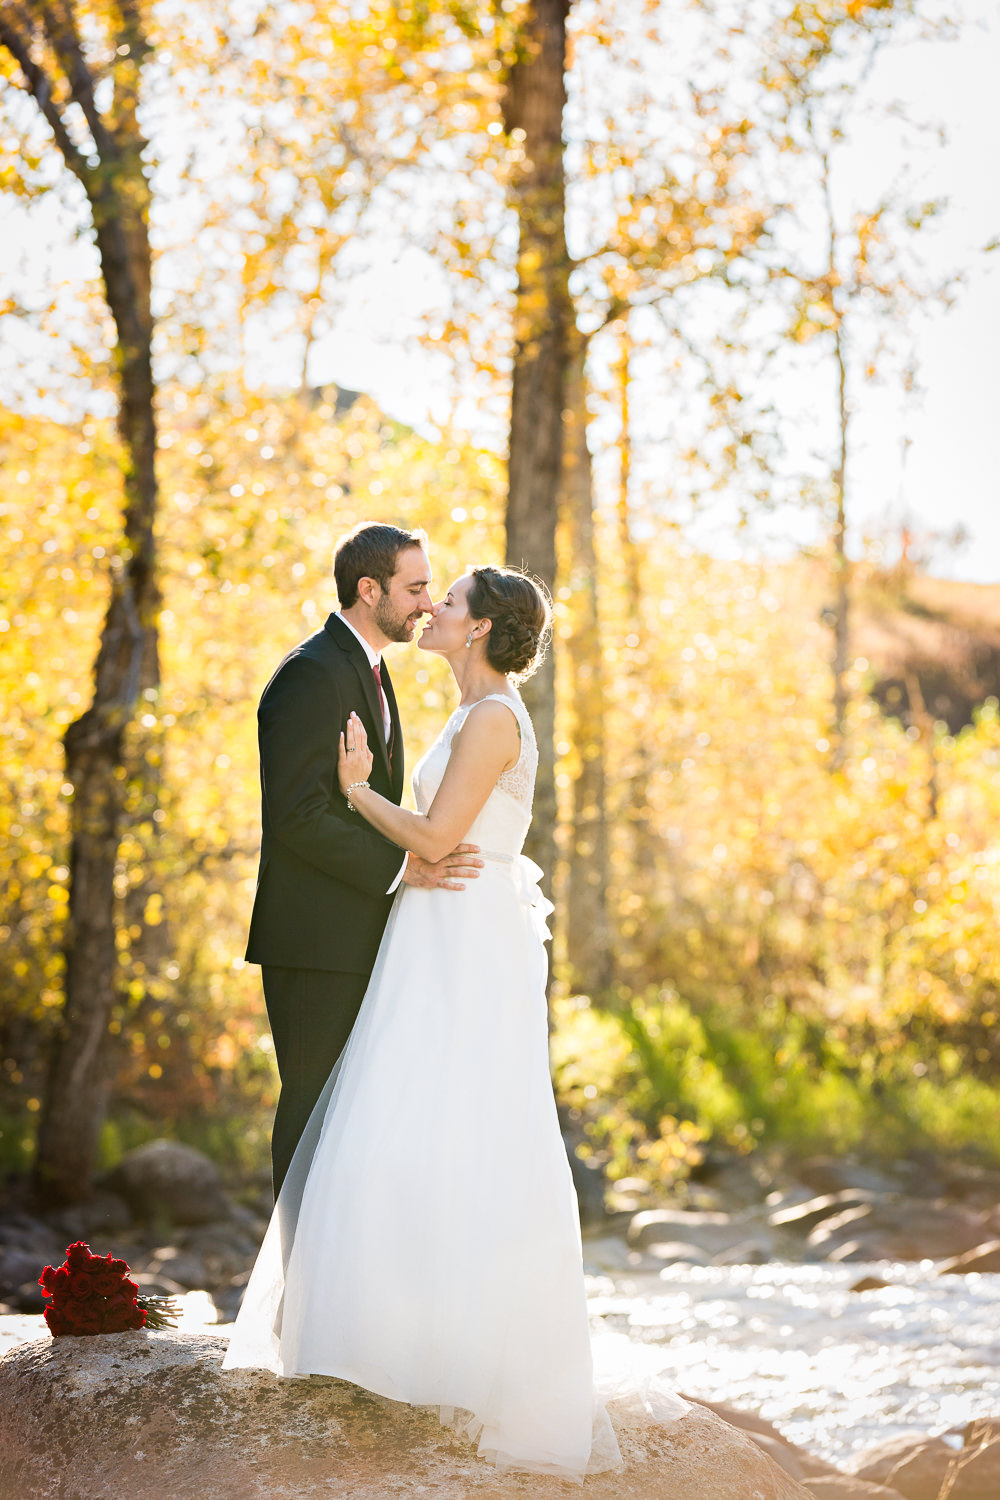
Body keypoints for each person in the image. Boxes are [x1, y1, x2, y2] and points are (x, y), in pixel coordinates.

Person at [225, 564, 686, 1477]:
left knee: (461, 1123)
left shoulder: (492, 719)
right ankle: (391, 1336)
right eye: (424, 592)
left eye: (449, 600)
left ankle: (463, 1348)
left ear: (479, 630)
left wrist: (357, 790)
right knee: (399, 1120)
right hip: (434, 931)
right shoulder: (470, 711)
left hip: (464, 943)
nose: (432, 608)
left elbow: (439, 841)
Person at [244, 522, 482, 1196]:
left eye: (430, 587)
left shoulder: (370, 671)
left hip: (358, 934)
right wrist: (404, 868)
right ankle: (296, 1282)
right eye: (415, 587)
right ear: (367, 588)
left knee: (350, 1121)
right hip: (315, 939)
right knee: (312, 1112)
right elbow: (296, 816)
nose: (428, 602)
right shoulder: (311, 674)